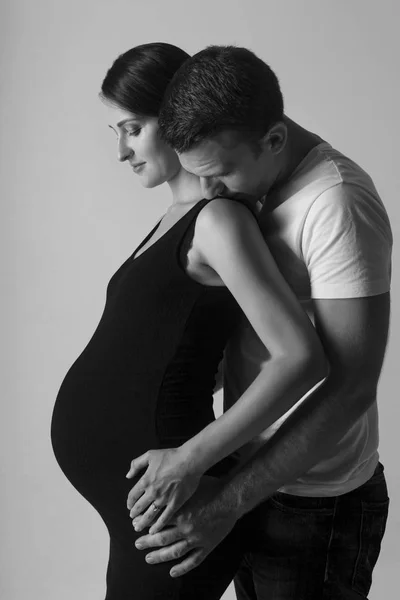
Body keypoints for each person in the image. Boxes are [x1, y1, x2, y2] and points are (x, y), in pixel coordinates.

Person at [50, 43, 327, 600]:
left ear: (174, 120)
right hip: (144, 510)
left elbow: (300, 357)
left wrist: (188, 459)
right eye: (116, 134)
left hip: (174, 503)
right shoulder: (177, 218)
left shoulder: (219, 220)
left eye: (132, 129)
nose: (123, 152)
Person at [133, 45, 392, 600]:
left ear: (273, 139)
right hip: (251, 483)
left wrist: (219, 492)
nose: (210, 194)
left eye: (220, 174)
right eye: (198, 175)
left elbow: (350, 386)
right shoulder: (250, 186)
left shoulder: (335, 202)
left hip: (315, 506)